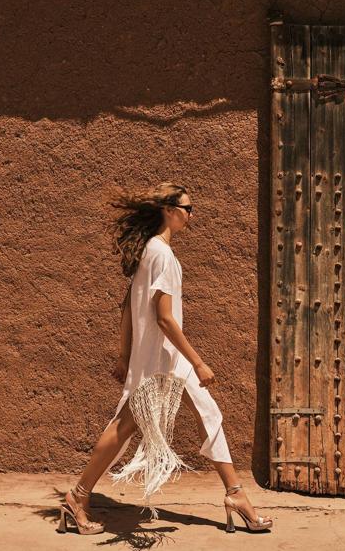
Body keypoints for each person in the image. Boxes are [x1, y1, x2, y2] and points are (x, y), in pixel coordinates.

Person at [58, 182, 273, 535]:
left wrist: (126, 356)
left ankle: (235, 494)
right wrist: (198, 361)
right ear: (169, 211)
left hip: (160, 362)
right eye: (188, 208)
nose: (192, 215)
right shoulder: (164, 257)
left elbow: (127, 307)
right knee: (128, 425)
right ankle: (77, 495)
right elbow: (164, 318)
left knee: (204, 415)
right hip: (166, 363)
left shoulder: (148, 252)